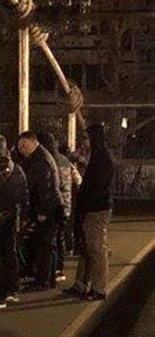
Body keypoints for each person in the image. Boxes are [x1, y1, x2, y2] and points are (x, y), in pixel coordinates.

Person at [64, 124, 115, 301]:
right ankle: (81, 284)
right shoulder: (99, 156)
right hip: (93, 207)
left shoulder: (102, 159)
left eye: (87, 138)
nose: (84, 142)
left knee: (96, 249)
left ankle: (98, 288)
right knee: (87, 247)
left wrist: (85, 201)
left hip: (96, 208)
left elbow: (96, 186)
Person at [17, 132, 64, 290]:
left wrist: (42, 211)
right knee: (47, 245)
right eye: (20, 146)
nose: (22, 149)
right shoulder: (40, 157)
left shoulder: (40, 161)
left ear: (34, 142)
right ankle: (48, 278)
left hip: (47, 208)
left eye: (24, 145)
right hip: (51, 206)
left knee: (44, 245)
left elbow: (45, 186)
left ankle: (43, 281)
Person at [0, 135, 29, 308]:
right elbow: (24, 193)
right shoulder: (16, 168)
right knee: (10, 252)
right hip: (12, 215)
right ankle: (12, 289)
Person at [38, 133, 82, 281]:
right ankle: (60, 268)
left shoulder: (48, 161)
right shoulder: (65, 160)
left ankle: (52, 270)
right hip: (67, 203)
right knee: (60, 236)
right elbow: (78, 180)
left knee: (51, 239)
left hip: (54, 203)